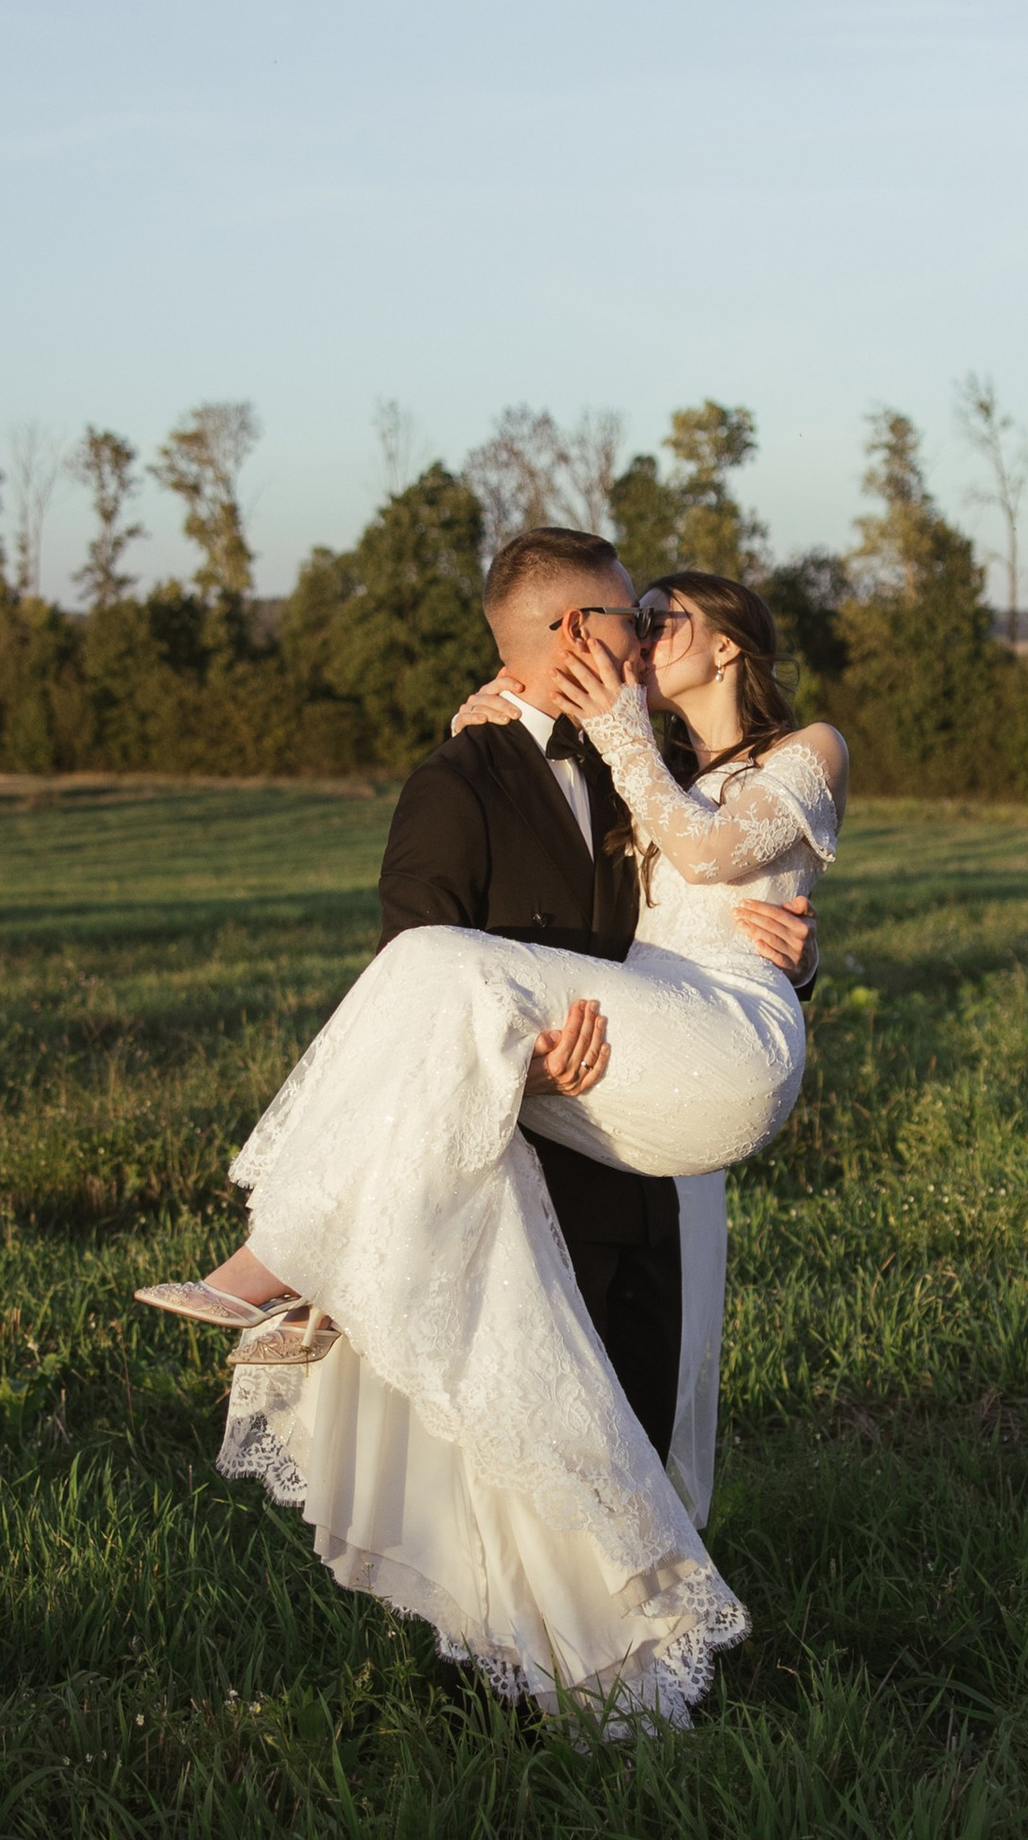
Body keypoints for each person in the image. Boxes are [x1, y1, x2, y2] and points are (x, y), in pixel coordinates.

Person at [138, 530, 846, 1728]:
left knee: (636, 1428)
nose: (642, 638)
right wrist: (522, 1065)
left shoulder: (665, 759)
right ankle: (520, 1697)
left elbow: (719, 878)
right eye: (629, 617)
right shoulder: (460, 779)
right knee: (520, 1448)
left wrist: (802, 954)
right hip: (523, 1153)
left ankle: (645, 1684)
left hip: (651, 1141)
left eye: (660, 620)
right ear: (572, 633)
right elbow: (403, 985)